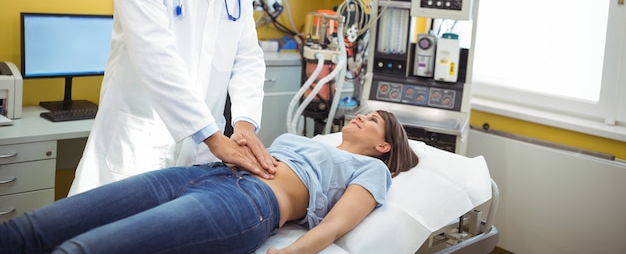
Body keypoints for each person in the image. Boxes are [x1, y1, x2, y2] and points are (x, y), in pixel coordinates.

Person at [70, 0, 276, 196]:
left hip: (201, 150)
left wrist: (245, 124)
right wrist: (211, 136)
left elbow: (248, 58)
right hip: (139, 140)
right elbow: (155, 57)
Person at [1, 110, 419, 254]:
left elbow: (337, 224)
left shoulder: (373, 171)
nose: (363, 116)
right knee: (28, 230)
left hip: (248, 203)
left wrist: (294, 251)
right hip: (202, 173)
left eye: (375, 120)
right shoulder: (309, 140)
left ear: (384, 146)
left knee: (81, 249)